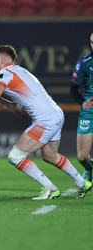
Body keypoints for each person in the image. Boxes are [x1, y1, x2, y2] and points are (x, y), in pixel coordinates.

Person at [0, 45, 92, 200]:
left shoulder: (4, 73)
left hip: (45, 120)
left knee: (15, 157)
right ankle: (82, 183)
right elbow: (17, 109)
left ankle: (50, 188)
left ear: (1, 59)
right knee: (50, 155)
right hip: (56, 114)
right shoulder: (21, 72)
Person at [70, 32, 93, 182]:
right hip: (89, 112)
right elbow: (73, 89)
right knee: (82, 156)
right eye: (92, 42)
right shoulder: (84, 63)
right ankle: (88, 167)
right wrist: (82, 102)